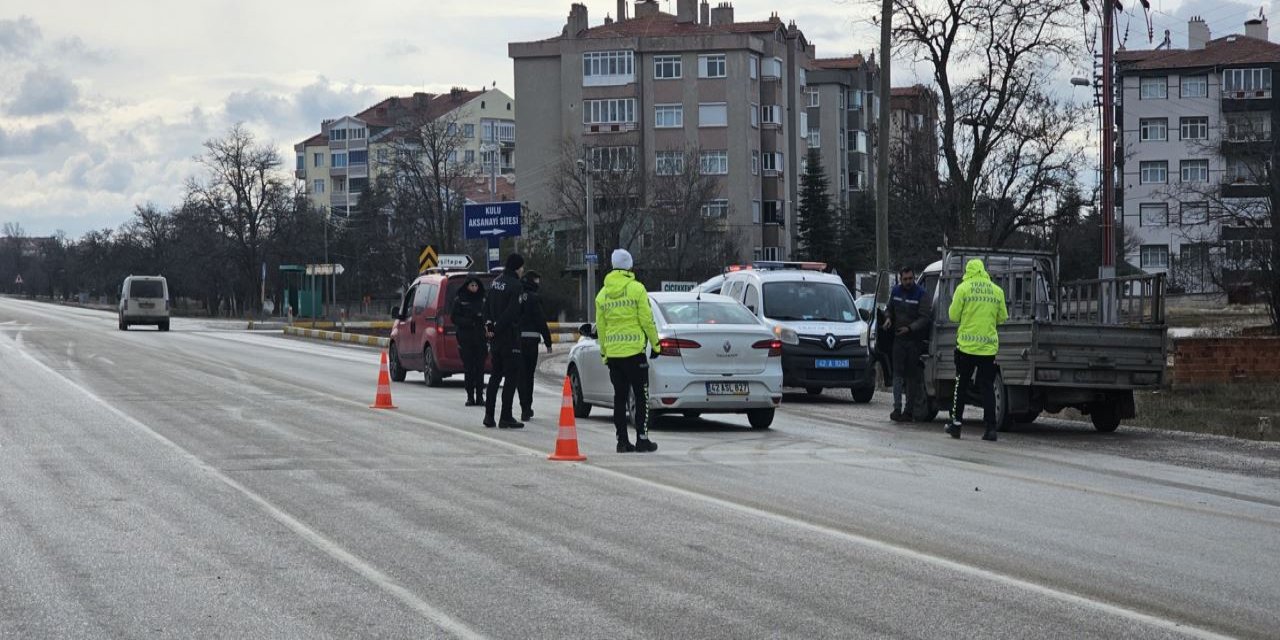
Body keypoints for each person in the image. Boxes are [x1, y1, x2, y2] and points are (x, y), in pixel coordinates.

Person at [595, 249, 659, 453]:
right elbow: (647, 320)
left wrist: (604, 353)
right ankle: (642, 438)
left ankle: (622, 441)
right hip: (634, 353)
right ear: (629, 265)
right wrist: (655, 344)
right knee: (641, 396)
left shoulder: (602, 294)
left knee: (619, 398)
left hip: (614, 355)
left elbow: (601, 327)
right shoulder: (637, 289)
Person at [946, 258, 1008, 441]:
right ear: (984, 270)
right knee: (987, 387)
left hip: (966, 347)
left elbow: (953, 315)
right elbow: (1002, 318)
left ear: (968, 271)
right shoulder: (997, 291)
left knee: (961, 385)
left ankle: (956, 425)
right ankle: (990, 429)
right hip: (988, 349)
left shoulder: (963, 288)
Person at [482, 254, 527, 429]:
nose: (523, 270)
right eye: (522, 267)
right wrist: (498, 326)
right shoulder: (516, 285)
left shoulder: (496, 282)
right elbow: (512, 312)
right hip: (510, 337)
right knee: (511, 377)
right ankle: (506, 416)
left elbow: (486, 307)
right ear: (517, 267)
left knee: (495, 375)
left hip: (495, 339)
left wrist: (489, 327)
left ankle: (489, 415)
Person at [885, 267, 932, 422]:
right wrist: (888, 318)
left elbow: (925, 318)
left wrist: (910, 328)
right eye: (905, 279)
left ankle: (909, 411)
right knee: (897, 376)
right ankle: (897, 409)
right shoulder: (896, 292)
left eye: (910, 279)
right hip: (898, 340)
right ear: (900, 279)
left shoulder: (921, 294)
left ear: (914, 277)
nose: (908, 282)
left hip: (914, 341)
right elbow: (889, 309)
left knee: (911, 377)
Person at [517, 270, 553, 421]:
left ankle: (523, 405)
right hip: (531, 343)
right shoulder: (534, 298)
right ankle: (527, 408)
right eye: (536, 280)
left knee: (520, 376)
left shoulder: (517, 297)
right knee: (529, 376)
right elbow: (540, 320)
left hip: (516, 341)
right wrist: (548, 341)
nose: (538, 283)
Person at [450, 276, 488, 407]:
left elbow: (489, 315)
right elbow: (454, 317)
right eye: (472, 286)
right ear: (467, 286)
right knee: (469, 368)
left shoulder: (483, 300)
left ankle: (480, 396)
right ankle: (470, 396)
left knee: (480, 368)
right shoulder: (460, 300)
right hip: (466, 338)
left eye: (476, 286)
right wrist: (469, 321)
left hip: (480, 338)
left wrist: (482, 321)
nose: (474, 288)